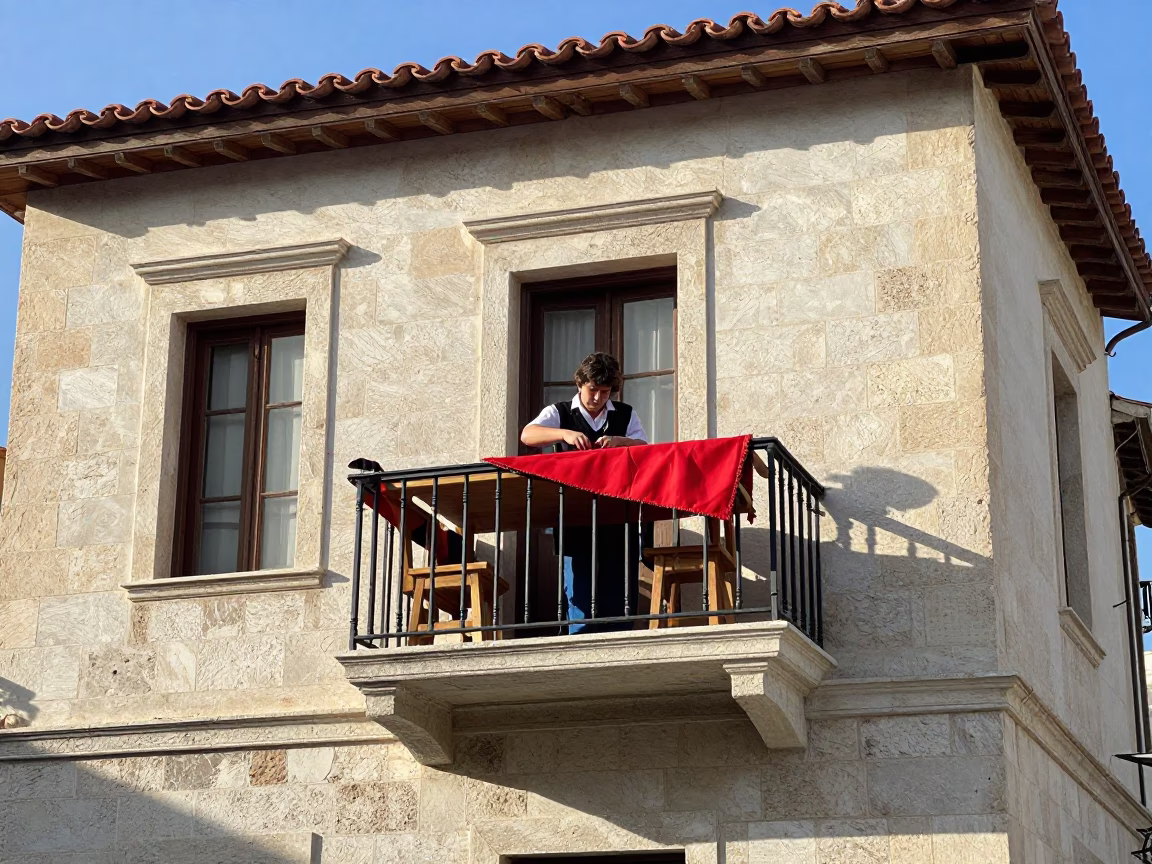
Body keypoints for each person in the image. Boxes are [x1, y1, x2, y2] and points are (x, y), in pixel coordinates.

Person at [521, 352, 648, 633]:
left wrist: (621, 441)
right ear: (580, 383)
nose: (598, 398)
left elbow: (646, 450)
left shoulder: (625, 414)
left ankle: (619, 645)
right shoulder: (560, 411)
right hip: (574, 515)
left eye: (604, 392)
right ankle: (578, 642)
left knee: (620, 586)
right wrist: (563, 434)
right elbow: (528, 435)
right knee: (578, 588)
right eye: (593, 389)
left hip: (618, 513)